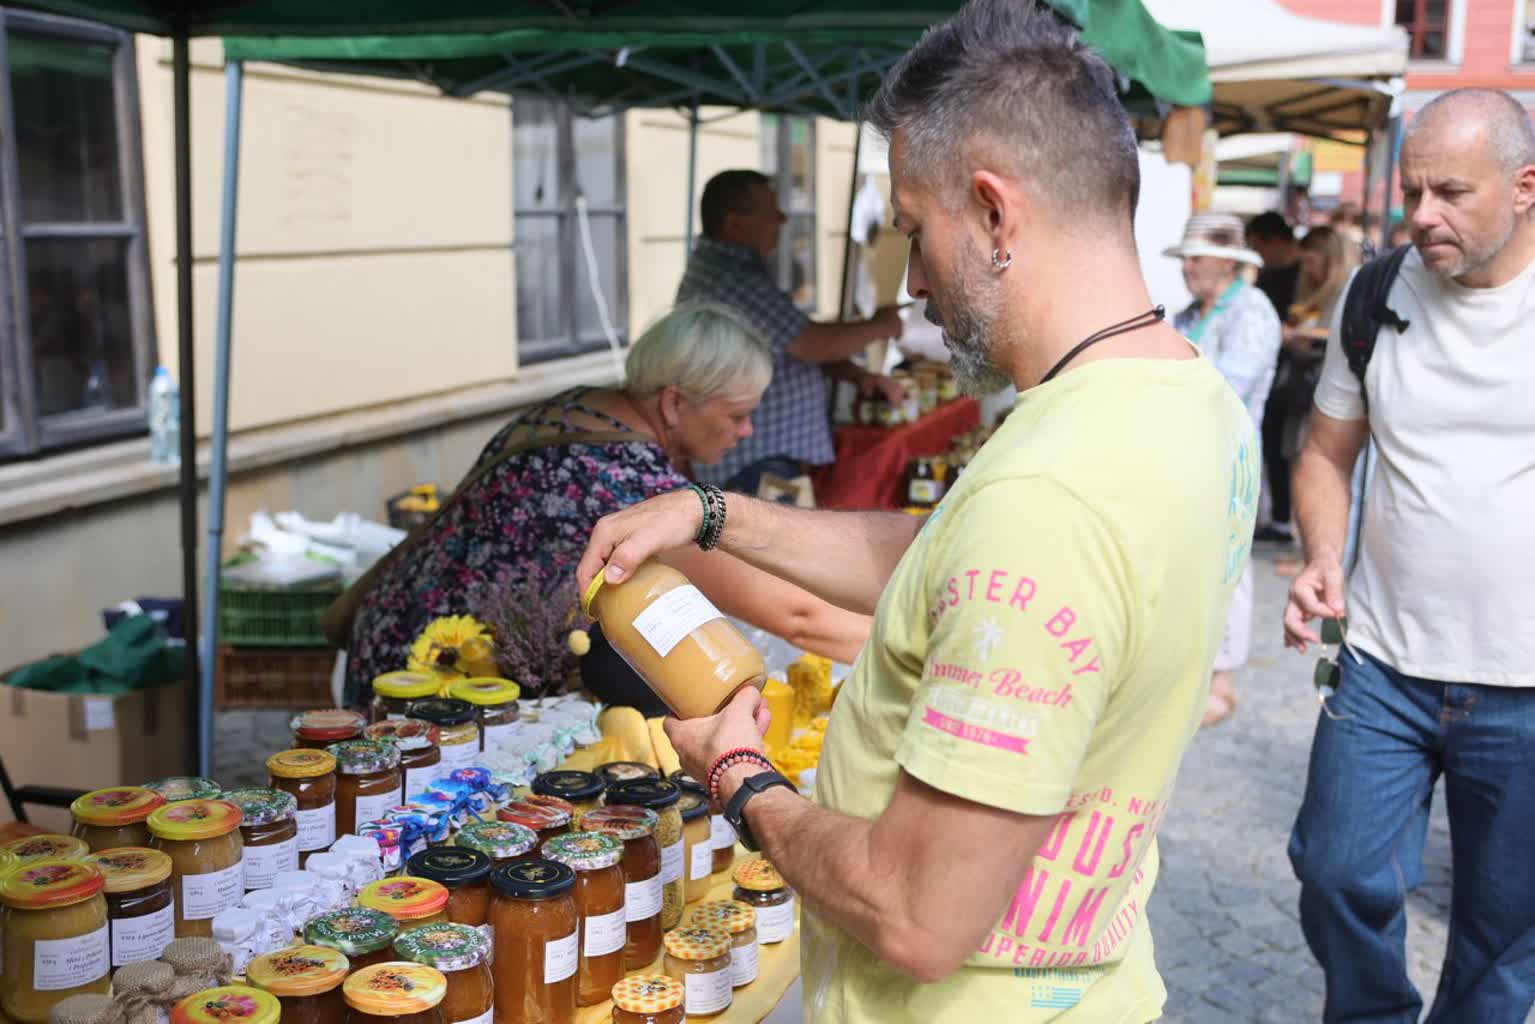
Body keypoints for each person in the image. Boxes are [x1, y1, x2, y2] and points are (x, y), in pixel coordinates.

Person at [578, 2, 1259, 1019]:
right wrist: (709, 513)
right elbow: (951, 562)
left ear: (991, 211)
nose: (913, 279)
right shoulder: (1188, 401)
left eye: (911, 229)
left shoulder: (1047, 493)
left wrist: (738, 776)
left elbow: (914, 915)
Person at [1284, 88, 1535, 1023]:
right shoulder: (1376, 290)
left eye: (1448, 193)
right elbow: (1322, 452)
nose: (1419, 214)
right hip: (1380, 662)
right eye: (1410, 189)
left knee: (1504, 936)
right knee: (1333, 869)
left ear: (1524, 187)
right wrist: (1320, 554)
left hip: (1526, 686)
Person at [341, 303, 871, 709]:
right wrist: (917, 656)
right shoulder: (626, 478)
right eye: (736, 415)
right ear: (673, 402)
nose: (748, 431)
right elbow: (797, 614)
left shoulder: (579, 406)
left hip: (394, 632)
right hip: (429, 680)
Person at [678, 169, 905, 494]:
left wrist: (857, 376)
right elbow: (810, 344)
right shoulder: (733, 278)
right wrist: (880, 326)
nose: (782, 220)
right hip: (754, 462)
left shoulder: (734, 269)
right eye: (771, 212)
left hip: (761, 458)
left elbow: (790, 346)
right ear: (734, 223)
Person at [1167, 213, 1282, 727]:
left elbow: (1227, 384)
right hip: (1186, 450)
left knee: (1229, 563)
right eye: (1186, 257)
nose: (1188, 266)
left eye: (1198, 257)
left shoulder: (1252, 313)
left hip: (1230, 453)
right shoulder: (1191, 314)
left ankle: (1224, 681)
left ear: (1230, 262)